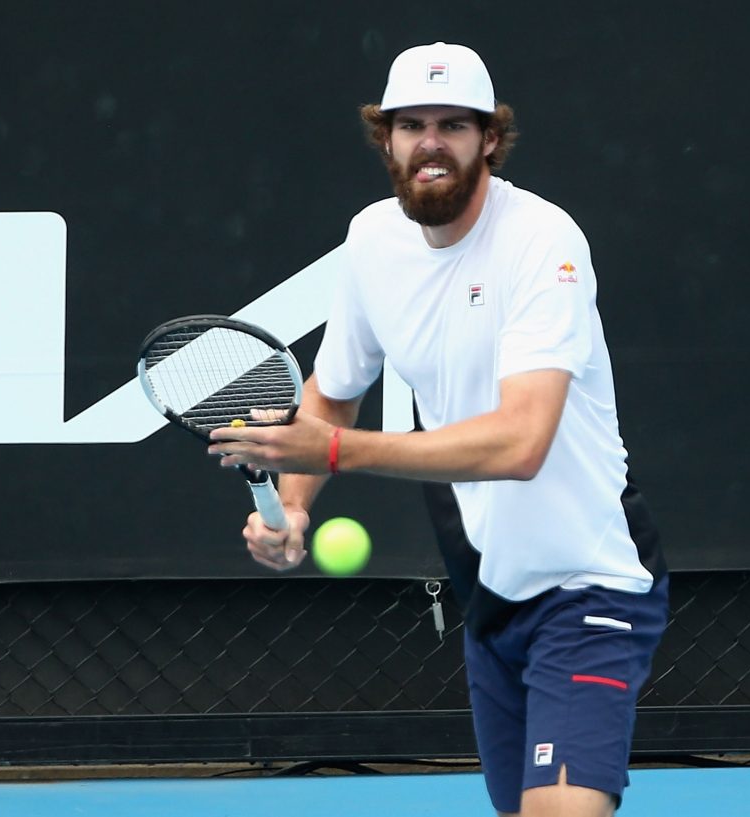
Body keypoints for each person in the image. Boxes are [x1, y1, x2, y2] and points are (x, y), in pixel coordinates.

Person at [210, 42, 669, 817]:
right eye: (412, 124)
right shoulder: (372, 243)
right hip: (492, 601)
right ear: (384, 138)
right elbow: (335, 391)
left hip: (592, 586)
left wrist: (329, 450)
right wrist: (293, 507)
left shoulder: (542, 242)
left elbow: (522, 443)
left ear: (490, 137)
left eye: (453, 124)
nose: (431, 142)